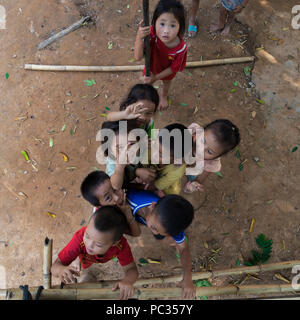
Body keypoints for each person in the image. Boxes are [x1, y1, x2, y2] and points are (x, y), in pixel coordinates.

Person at [51, 206, 139, 300]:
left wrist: (127, 281)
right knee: (82, 261)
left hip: (90, 256)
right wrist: (60, 270)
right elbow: (55, 267)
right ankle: (77, 259)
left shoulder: (121, 246)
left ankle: (78, 258)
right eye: (87, 236)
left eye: (98, 244)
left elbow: (132, 269)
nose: (89, 245)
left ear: (114, 243)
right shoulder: (80, 238)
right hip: (85, 256)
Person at [126, 188, 195, 299]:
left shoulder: (172, 224)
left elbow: (183, 248)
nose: (154, 232)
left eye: (159, 231)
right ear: (152, 206)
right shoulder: (131, 200)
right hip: (132, 211)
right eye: (153, 228)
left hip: (149, 218)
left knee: (161, 238)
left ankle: (171, 237)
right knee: (140, 230)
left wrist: (187, 277)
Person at [134, 0, 187, 111]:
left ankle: (163, 96)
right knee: (147, 84)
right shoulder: (152, 34)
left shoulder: (181, 48)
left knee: (167, 83)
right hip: (151, 68)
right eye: (162, 24)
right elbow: (137, 57)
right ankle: (148, 99)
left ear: (180, 26)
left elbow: (174, 68)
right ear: (154, 22)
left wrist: (156, 77)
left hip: (166, 72)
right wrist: (139, 37)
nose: (166, 31)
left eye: (172, 25)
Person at [184, 119, 240, 193]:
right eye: (203, 141)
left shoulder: (212, 162)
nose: (200, 149)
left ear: (217, 156)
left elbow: (199, 180)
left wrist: (192, 186)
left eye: (210, 152)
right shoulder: (192, 132)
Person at [80, 170, 141, 237]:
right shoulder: (109, 219)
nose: (116, 197)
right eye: (108, 198)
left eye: (115, 189)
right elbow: (136, 233)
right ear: (99, 206)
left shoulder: (117, 181)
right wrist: (128, 215)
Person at [145, 123, 193, 196]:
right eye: (155, 147)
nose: (154, 154)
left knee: (165, 194)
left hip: (167, 187)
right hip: (152, 176)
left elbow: (155, 186)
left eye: (161, 155)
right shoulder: (155, 143)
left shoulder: (177, 171)